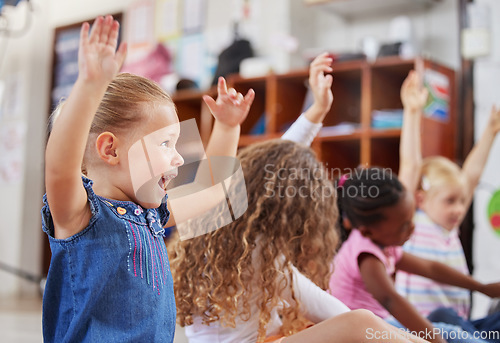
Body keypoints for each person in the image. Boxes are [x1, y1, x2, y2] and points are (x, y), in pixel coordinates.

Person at [170, 54, 429, 343]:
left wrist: (318, 110)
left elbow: (275, 167)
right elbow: (343, 317)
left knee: (355, 324)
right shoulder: (261, 254)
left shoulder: (225, 231)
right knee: (359, 323)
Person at [42, 15, 255, 342]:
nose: (180, 157)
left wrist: (227, 127)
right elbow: (59, 166)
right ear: (110, 149)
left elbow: (212, 192)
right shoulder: (80, 215)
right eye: (165, 144)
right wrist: (89, 86)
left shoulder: (154, 215)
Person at [329, 165, 500, 343]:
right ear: (368, 232)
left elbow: (430, 268)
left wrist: (482, 288)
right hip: (363, 334)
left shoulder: (381, 243)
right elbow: (390, 301)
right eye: (403, 226)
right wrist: (437, 340)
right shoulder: (366, 255)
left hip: (381, 325)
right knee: (449, 333)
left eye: (411, 219)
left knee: (444, 316)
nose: (412, 227)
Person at [395, 70, 500, 341]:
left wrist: (490, 131)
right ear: (420, 199)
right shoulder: (412, 223)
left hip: (461, 326)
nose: (458, 209)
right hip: (427, 327)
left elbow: (472, 176)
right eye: (450, 201)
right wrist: (413, 111)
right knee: (444, 315)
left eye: (462, 201)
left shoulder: (448, 226)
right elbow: (410, 166)